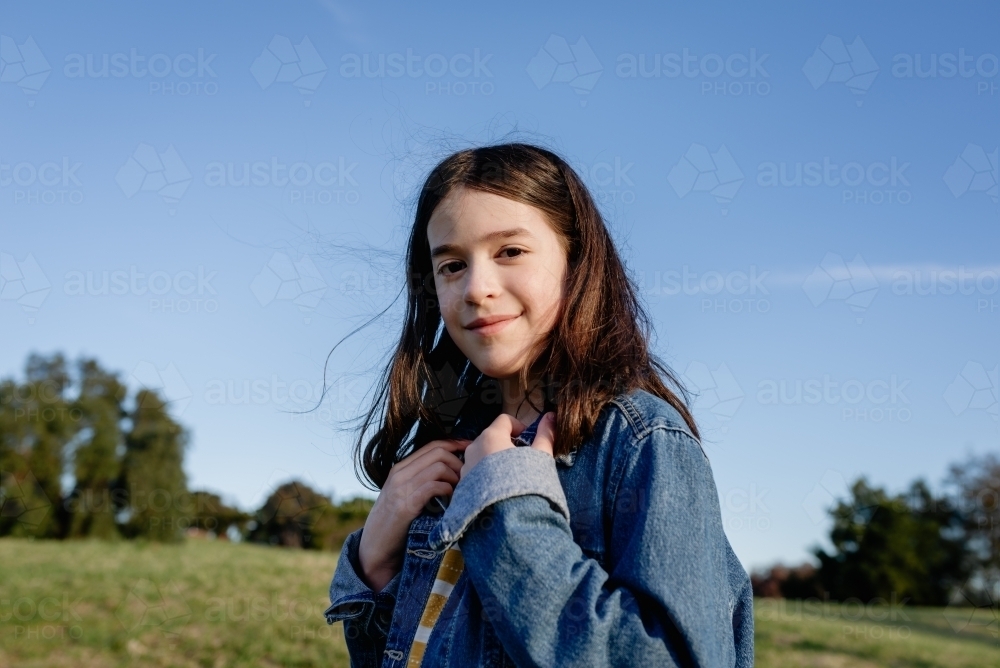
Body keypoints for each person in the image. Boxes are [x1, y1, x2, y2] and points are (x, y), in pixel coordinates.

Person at [324, 143, 754, 667]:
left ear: (577, 261)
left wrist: (508, 502)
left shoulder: (640, 443)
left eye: (510, 252)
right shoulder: (447, 451)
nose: (477, 289)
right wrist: (374, 565)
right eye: (453, 265)